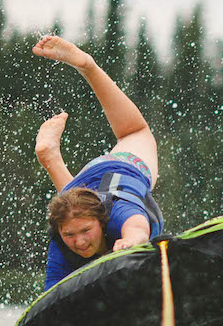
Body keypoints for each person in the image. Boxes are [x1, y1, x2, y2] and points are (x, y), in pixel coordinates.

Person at [33, 35, 163, 290]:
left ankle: (88, 66)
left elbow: (137, 227)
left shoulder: (119, 212)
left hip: (123, 166)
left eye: (84, 231)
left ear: (102, 221)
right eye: (69, 234)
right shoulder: (60, 242)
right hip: (84, 184)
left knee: (135, 132)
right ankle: (49, 155)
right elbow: (51, 295)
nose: (78, 242)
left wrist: (131, 243)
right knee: (69, 199)